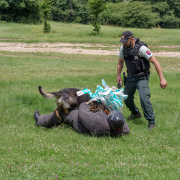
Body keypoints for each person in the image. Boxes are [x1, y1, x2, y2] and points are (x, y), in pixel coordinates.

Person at [116, 31, 167, 130]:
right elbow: (120, 62)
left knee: (144, 98)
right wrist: (118, 75)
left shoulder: (142, 49)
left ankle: (151, 121)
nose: (123, 44)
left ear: (131, 39)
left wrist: (162, 78)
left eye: (125, 41)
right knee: (126, 97)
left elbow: (155, 62)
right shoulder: (123, 48)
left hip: (142, 77)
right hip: (131, 77)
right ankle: (135, 113)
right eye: (122, 42)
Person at [33, 102, 129, 137]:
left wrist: (85, 103)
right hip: (95, 117)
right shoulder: (123, 127)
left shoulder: (98, 123)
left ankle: (40, 121)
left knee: (66, 113)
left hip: (82, 125)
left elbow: (84, 114)